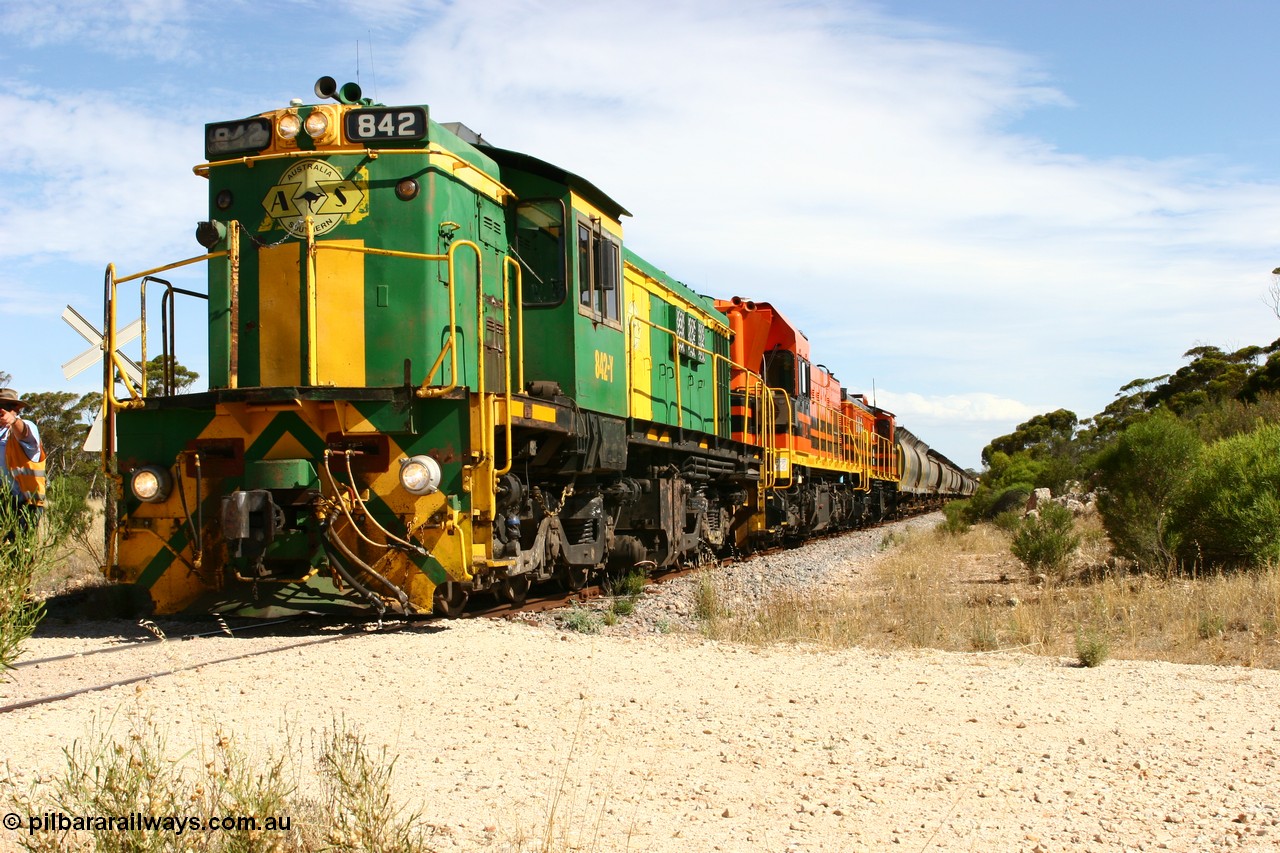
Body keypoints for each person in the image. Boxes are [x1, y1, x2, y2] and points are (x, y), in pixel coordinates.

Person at [0, 388, 45, 538]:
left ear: (16, 409)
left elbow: (25, 433)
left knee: (19, 548)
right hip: (3, 503)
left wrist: (13, 421)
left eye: (6, 407)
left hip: (25, 504)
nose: (2, 411)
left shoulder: (25, 426)